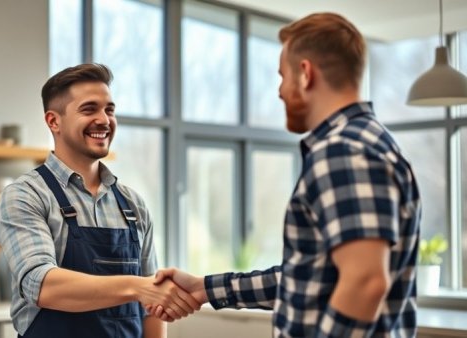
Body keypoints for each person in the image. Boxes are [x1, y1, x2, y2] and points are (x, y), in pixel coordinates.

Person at [150, 12, 421, 337]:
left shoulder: (343, 151)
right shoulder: (369, 141)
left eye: (282, 76)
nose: (280, 91)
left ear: (305, 73)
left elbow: (365, 282)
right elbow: (308, 279)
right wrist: (203, 288)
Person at [0, 63, 200, 338]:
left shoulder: (132, 205)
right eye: (89, 109)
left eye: (109, 110)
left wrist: (148, 291)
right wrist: (138, 286)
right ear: (54, 121)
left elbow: (152, 308)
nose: (104, 120)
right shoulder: (26, 195)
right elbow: (41, 284)